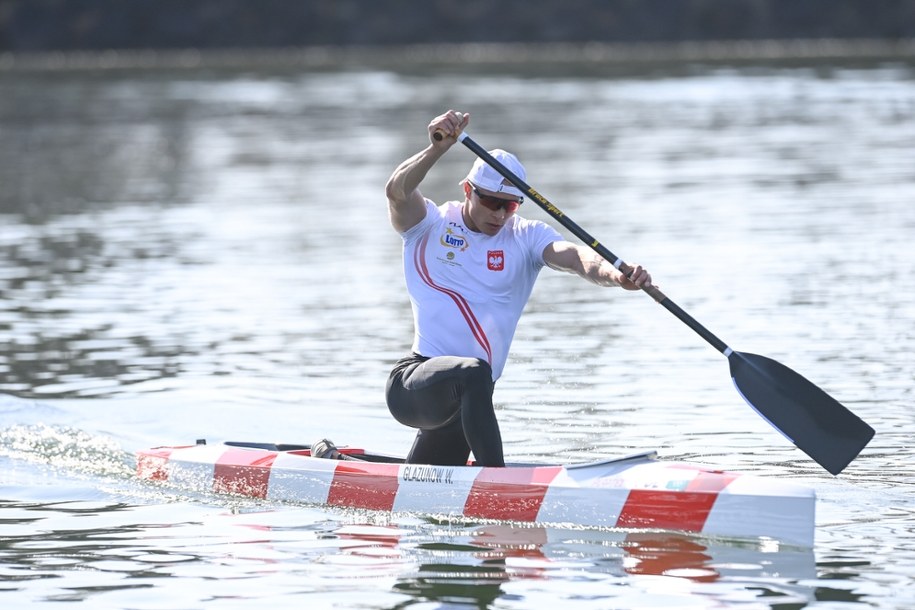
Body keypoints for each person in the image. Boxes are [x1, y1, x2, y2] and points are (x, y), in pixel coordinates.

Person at [383, 109, 652, 468]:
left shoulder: (526, 237)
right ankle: (498, 481)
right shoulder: (429, 224)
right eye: (491, 201)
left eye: (509, 205)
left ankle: (334, 459)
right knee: (475, 373)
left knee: (424, 479)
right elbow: (397, 192)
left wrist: (616, 275)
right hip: (414, 385)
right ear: (467, 190)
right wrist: (437, 149)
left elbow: (574, 257)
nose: (499, 214)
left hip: (466, 400)